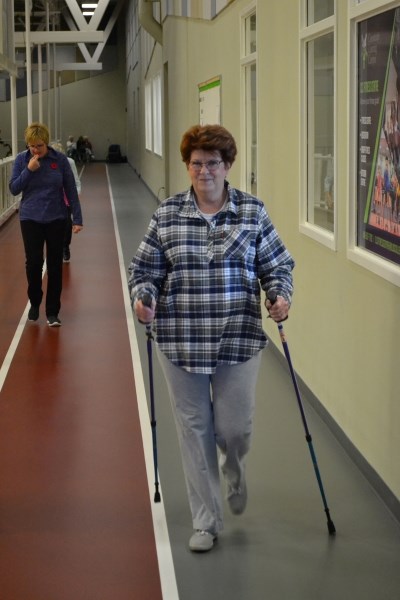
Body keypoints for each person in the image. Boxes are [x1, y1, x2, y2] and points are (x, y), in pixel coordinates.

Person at [128, 124, 294, 552]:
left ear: (228, 166)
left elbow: (276, 267)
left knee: (234, 429)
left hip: (237, 341)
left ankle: (234, 466)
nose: (205, 171)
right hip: (180, 342)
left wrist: (279, 296)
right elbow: (145, 270)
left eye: (213, 163)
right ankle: (207, 520)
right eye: (197, 163)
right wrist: (143, 298)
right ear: (187, 166)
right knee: (194, 429)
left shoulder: (252, 213)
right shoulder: (167, 215)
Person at [9, 122, 83, 327]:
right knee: (33, 264)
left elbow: (70, 189)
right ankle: (34, 302)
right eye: (32, 146)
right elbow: (14, 188)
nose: (35, 150)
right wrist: (29, 171)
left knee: (55, 266)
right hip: (30, 218)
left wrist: (77, 218)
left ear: (46, 143)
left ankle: (52, 312)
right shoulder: (22, 160)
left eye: (39, 146)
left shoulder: (59, 161)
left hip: (56, 218)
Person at [51, 142, 82, 262]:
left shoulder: (69, 162)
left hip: (66, 198)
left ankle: (65, 246)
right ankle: (55, 247)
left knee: (67, 224)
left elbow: (76, 180)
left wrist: (76, 194)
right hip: (52, 198)